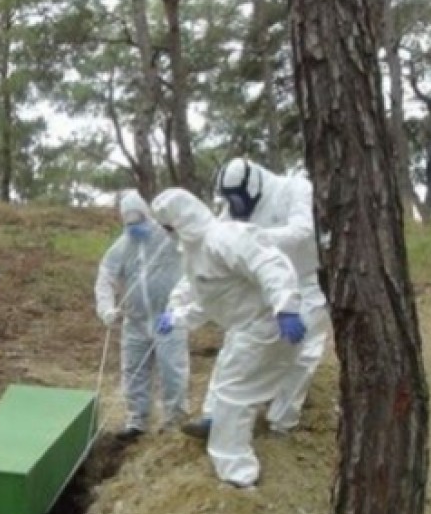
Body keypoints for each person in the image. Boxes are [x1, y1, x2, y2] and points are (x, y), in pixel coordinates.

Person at [150, 188, 306, 490]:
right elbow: (211, 300)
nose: (168, 234)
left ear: (180, 221)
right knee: (225, 378)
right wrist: (177, 318)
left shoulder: (225, 237)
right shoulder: (196, 252)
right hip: (244, 327)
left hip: (265, 325)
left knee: (234, 397)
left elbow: (268, 263)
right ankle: (215, 423)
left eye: (168, 227)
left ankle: (238, 475)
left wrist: (286, 306)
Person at [181, 158, 331, 439]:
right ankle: (214, 415)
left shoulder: (295, 188)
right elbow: (210, 248)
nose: (233, 206)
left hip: (305, 283)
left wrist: (248, 238)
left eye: (236, 199)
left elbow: (302, 232)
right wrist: (180, 301)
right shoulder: (231, 211)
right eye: (228, 200)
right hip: (260, 288)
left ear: (252, 187)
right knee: (236, 343)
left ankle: (282, 423)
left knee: (304, 353)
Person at [94, 190, 190, 442]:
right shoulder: (122, 246)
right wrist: (106, 309)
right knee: (133, 372)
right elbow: (105, 278)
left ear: (148, 215)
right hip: (135, 321)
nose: (135, 227)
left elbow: (193, 245)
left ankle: (174, 421)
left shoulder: (168, 237)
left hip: (168, 317)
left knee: (172, 370)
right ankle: (137, 421)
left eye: (139, 220)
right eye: (129, 223)